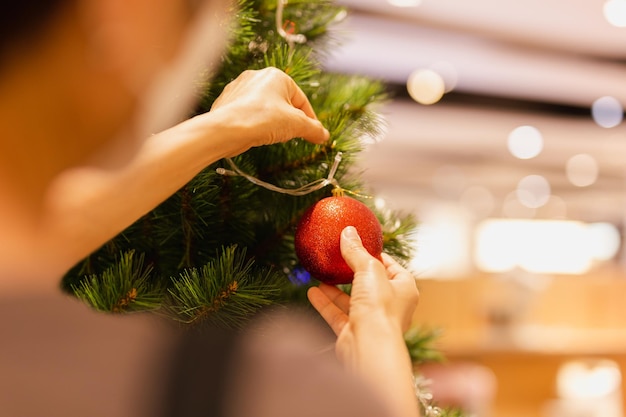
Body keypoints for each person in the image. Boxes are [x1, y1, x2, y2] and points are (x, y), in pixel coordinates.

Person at [0, 1, 420, 416]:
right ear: (118, 14)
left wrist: (225, 126)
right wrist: (380, 347)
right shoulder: (261, 390)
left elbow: (57, 220)